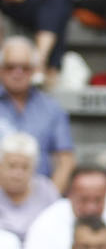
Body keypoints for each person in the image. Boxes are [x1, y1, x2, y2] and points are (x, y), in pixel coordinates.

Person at [0, 39, 73, 190]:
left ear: (34, 70)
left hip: (40, 197)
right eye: (10, 67)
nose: (17, 73)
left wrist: (48, 201)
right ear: (1, 69)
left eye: (24, 68)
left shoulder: (52, 108)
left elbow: (66, 161)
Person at [0, 131, 58, 245]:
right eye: (12, 166)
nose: (17, 174)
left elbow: (57, 229)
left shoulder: (47, 190)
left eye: (25, 167)